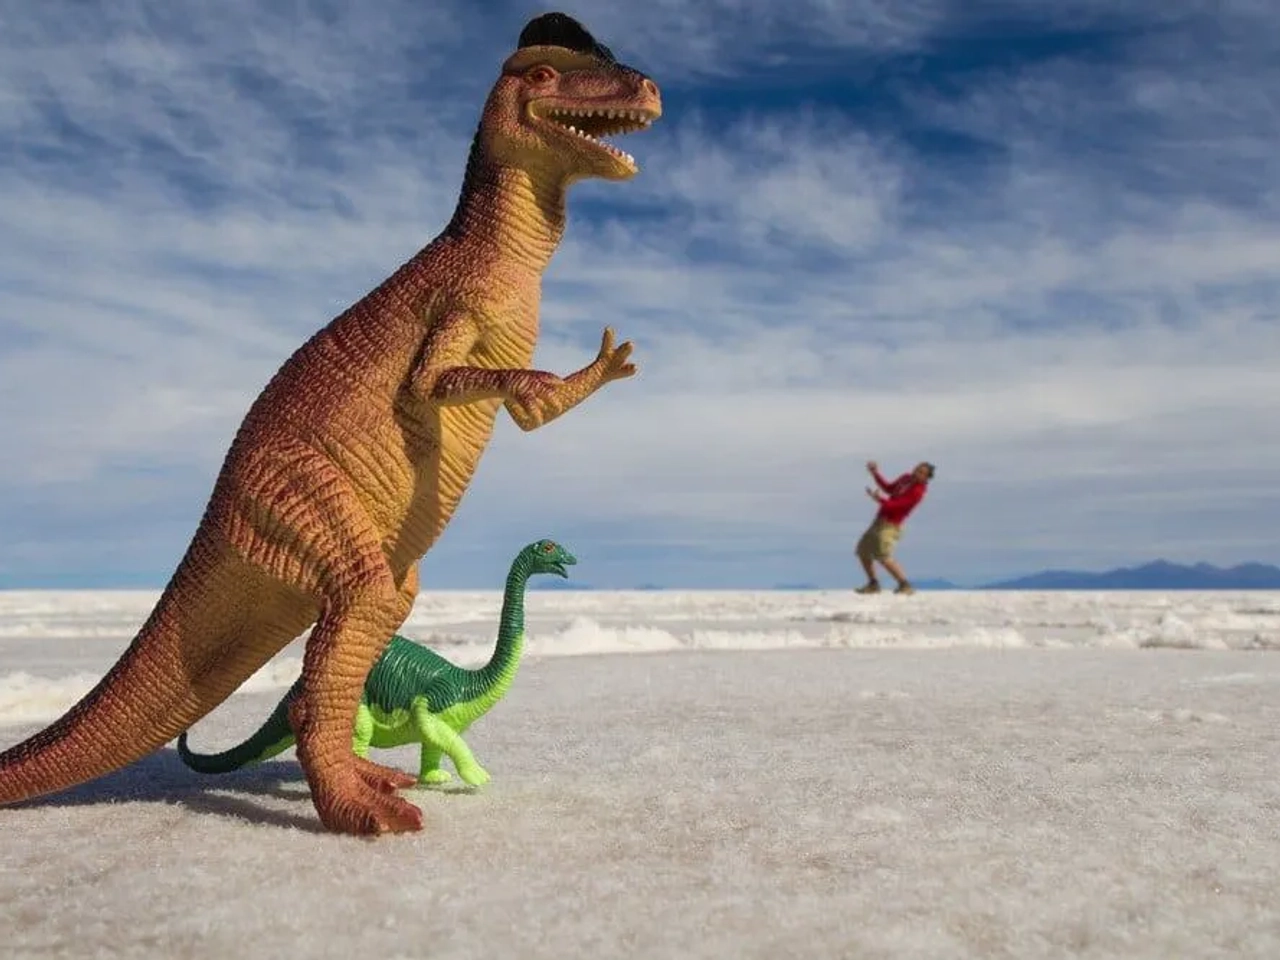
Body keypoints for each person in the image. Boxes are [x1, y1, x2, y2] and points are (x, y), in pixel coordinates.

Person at [855, 459, 935, 595]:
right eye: (917, 469)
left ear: (926, 478)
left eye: (921, 472)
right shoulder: (906, 478)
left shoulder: (918, 492)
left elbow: (897, 506)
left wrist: (878, 499)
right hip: (879, 520)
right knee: (862, 551)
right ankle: (873, 584)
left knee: (883, 555)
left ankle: (905, 585)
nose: (917, 473)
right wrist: (875, 473)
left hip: (890, 526)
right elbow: (889, 488)